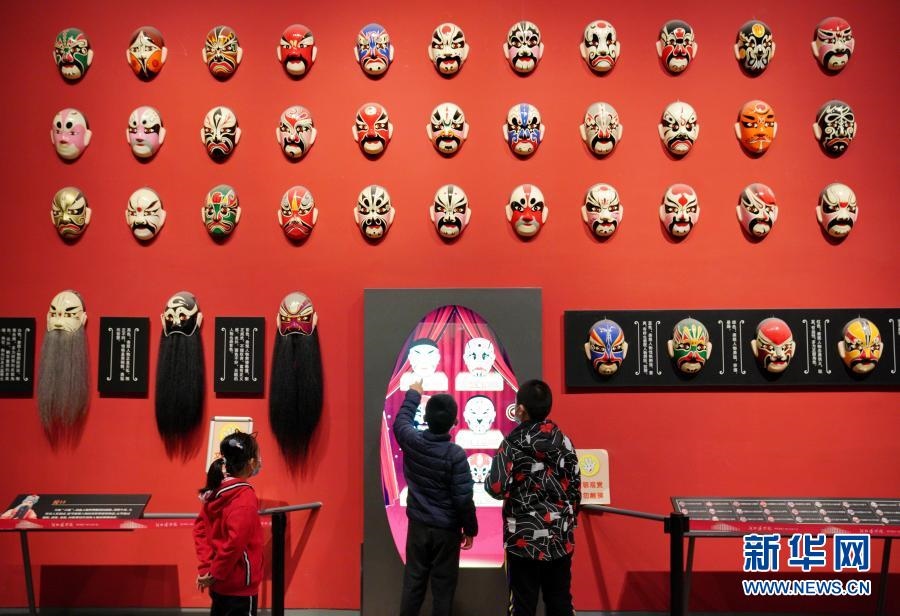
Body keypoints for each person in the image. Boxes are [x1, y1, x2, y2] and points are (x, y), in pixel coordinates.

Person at [485, 379, 581, 616]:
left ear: (520, 409)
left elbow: (496, 487)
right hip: (560, 537)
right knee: (560, 601)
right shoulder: (564, 442)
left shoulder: (511, 444)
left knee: (522, 604)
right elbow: (576, 489)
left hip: (522, 540)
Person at [393, 380, 477, 616]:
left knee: (413, 583)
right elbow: (463, 499)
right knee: (443, 589)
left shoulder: (412, 441)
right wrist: (470, 529)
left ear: (426, 418)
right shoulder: (455, 455)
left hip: (418, 526)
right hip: (447, 532)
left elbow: (401, 422)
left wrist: (414, 394)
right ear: (454, 422)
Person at [193, 431, 263, 616]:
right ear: (250, 462)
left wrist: (207, 568)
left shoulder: (215, 492)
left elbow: (200, 530)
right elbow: (235, 543)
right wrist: (215, 572)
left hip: (219, 582)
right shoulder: (244, 498)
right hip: (238, 587)